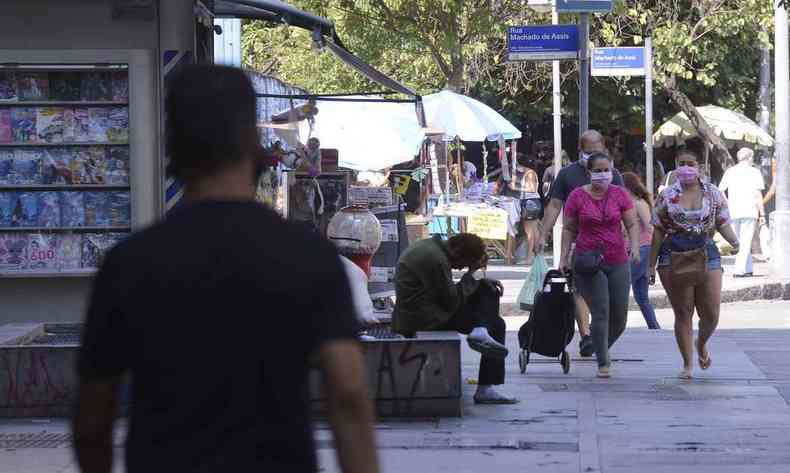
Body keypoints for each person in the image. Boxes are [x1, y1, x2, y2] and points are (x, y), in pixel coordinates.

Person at [72, 65, 379, 473]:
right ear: (253, 142)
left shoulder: (129, 264)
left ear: (174, 146)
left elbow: (93, 418)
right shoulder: (309, 258)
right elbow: (349, 393)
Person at [392, 233, 517, 404]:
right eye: (463, 264)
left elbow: (448, 295)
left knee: (488, 293)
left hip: (428, 308)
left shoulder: (431, 247)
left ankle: (481, 329)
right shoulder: (436, 260)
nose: (458, 269)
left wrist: (477, 281)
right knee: (496, 324)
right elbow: (450, 301)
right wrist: (471, 274)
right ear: (456, 251)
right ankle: (484, 385)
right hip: (422, 318)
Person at [649, 149, 740, 379]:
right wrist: (650, 264)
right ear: (676, 167)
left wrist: (735, 241)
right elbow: (658, 231)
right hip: (674, 253)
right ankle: (688, 363)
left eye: (691, 163)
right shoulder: (667, 195)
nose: (686, 168)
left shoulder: (713, 193)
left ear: (699, 167)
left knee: (711, 313)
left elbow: (723, 222)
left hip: (706, 251)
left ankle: (701, 342)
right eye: (682, 164)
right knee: (683, 311)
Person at [537, 130, 624, 357]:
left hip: (611, 248)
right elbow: (555, 206)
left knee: (609, 301)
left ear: (604, 148)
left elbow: (625, 208)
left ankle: (598, 337)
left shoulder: (612, 174)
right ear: (580, 150)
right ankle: (586, 335)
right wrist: (543, 233)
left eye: (597, 149)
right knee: (580, 290)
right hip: (581, 244)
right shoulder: (567, 175)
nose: (593, 154)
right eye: (588, 150)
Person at [560, 153, 641, 378]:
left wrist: (634, 247)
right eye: (597, 170)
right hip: (588, 261)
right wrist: (563, 258)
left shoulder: (620, 194)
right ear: (589, 173)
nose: (602, 174)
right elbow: (568, 229)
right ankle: (603, 363)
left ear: (613, 170)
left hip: (617, 259)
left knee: (620, 318)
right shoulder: (577, 196)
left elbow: (632, 222)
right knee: (601, 311)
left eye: (606, 170)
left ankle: (597, 346)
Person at [718, 148, 766, 277]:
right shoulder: (754, 172)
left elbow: (720, 190)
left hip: (733, 211)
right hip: (749, 210)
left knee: (741, 241)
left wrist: (727, 204)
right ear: (750, 158)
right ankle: (738, 270)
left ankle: (748, 269)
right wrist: (762, 214)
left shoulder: (730, 171)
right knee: (745, 241)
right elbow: (757, 194)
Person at [622, 172, 660, 329]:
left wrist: (656, 249)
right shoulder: (628, 203)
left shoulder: (639, 203)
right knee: (641, 296)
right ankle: (654, 327)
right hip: (633, 250)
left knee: (622, 287)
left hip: (642, 249)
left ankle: (615, 325)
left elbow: (650, 227)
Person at [498, 153, 543, 265]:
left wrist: (516, 187)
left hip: (530, 202)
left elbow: (532, 189)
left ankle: (530, 256)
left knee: (529, 231)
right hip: (527, 202)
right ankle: (536, 255)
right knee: (533, 229)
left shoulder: (530, 173)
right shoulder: (523, 173)